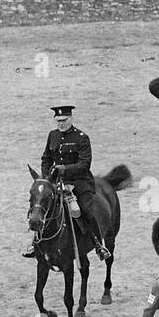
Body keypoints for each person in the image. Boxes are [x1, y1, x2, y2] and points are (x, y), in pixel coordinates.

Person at [24, 105, 109, 259]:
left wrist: (64, 169)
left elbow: (84, 165)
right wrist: (47, 179)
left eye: (64, 120)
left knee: (85, 211)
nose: (61, 124)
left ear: (71, 118)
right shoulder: (52, 135)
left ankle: (98, 245)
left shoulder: (82, 137)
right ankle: (36, 243)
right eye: (58, 121)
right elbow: (46, 159)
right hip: (57, 182)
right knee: (42, 207)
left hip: (79, 182)